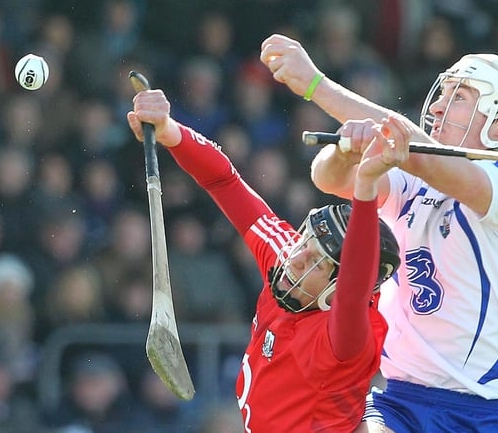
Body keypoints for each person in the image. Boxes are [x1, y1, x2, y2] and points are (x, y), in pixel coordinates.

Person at [261, 33, 498, 432]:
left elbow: (426, 157)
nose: (436, 107)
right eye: (443, 93)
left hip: (486, 413)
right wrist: (346, 152)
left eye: (460, 97)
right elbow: (327, 178)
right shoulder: (416, 174)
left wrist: (317, 86)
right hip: (400, 400)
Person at [126, 88, 405, 432]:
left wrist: (365, 187)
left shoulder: (344, 340)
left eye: (318, 262)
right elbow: (224, 180)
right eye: (307, 240)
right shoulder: (285, 256)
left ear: (336, 289)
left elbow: (354, 292)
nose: (299, 257)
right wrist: (170, 131)